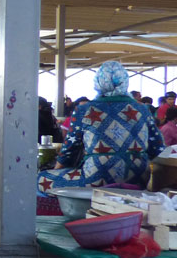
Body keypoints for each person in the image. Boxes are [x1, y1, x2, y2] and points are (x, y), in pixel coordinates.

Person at [38, 61, 165, 193]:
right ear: (125, 82)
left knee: (42, 179)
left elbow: (69, 151)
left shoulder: (84, 109)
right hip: (138, 179)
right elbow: (158, 148)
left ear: (98, 83)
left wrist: (55, 171)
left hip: (96, 179)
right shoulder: (143, 109)